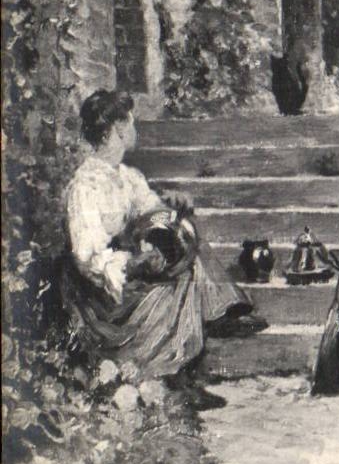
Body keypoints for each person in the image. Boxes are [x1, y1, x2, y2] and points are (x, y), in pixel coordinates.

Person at [63, 88, 264, 408]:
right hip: (105, 294)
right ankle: (195, 356)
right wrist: (135, 263)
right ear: (117, 129)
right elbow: (88, 258)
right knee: (184, 276)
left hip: (131, 269)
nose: (135, 130)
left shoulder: (126, 176)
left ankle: (211, 329)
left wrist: (170, 209)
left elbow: (152, 213)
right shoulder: (86, 186)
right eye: (131, 123)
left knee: (187, 243)